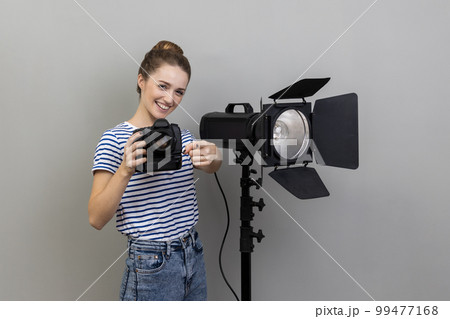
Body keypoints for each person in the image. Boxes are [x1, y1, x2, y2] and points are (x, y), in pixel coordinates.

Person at [88, 40, 221, 301]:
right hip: (151, 263)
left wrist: (215, 159)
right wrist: (126, 169)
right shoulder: (114, 140)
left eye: (179, 91)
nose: (170, 99)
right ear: (141, 80)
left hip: (192, 252)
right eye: (163, 86)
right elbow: (96, 217)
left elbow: (210, 166)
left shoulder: (181, 136)